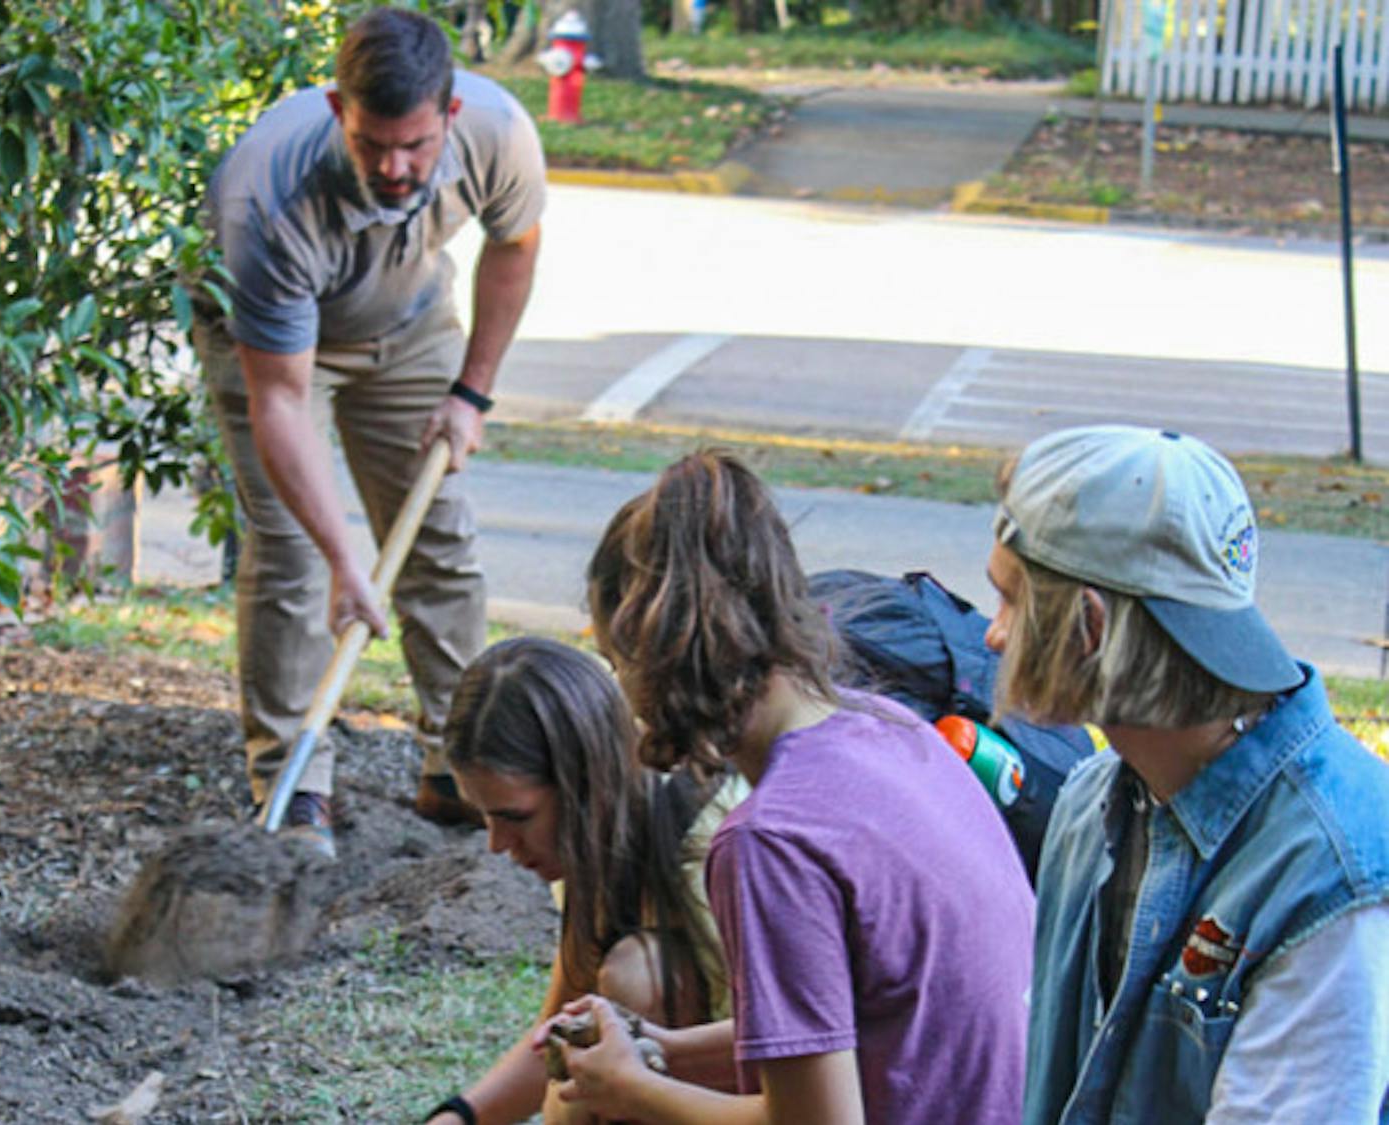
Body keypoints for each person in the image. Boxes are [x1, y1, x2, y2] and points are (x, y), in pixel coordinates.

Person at [545, 451, 1034, 1124]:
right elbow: (860, 1019)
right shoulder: (891, 727)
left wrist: (632, 1090)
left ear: (654, 650)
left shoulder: (769, 839)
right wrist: (666, 1049)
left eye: (614, 662)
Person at [193, 7, 545, 851]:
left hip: (412, 322)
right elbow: (280, 400)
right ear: (335, 109)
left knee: (439, 541)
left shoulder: (498, 134)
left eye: (415, 146)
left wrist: (472, 393)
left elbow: (515, 246)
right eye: (371, 144)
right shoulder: (265, 198)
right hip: (278, 351)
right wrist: (347, 564)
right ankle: (292, 793)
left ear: (450, 116)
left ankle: (457, 770)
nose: (394, 166)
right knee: (291, 554)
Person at [982, 425, 1389, 1124]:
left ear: (1089, 628)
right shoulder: (1090, 802)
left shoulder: (1332, 875)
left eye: (1012, 599)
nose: (994, 633)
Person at [424, 636, 749, 1125]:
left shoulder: (713, 850)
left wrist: (630, 1077)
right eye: (486, 818)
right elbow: (552, 1034)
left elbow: (789, 1061)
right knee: (586, 1038)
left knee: (633, 981)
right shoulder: (602, 836)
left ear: (582, 785)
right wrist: (458, 1118)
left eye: (516, 816)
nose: (496, 844)